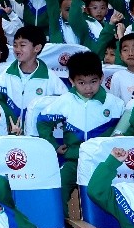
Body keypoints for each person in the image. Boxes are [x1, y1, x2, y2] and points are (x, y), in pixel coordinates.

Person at [38, 52, 127, 200]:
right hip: (73, 160)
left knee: (108, 194)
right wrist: (54, 145)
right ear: (71, 81)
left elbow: (125, 131)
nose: (88, 88)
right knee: (58, 189)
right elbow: (43, 122)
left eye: (93, 81)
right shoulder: (64, 101)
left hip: (103, 161)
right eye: (81, 83)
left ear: (101, 78)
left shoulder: (115, 104)